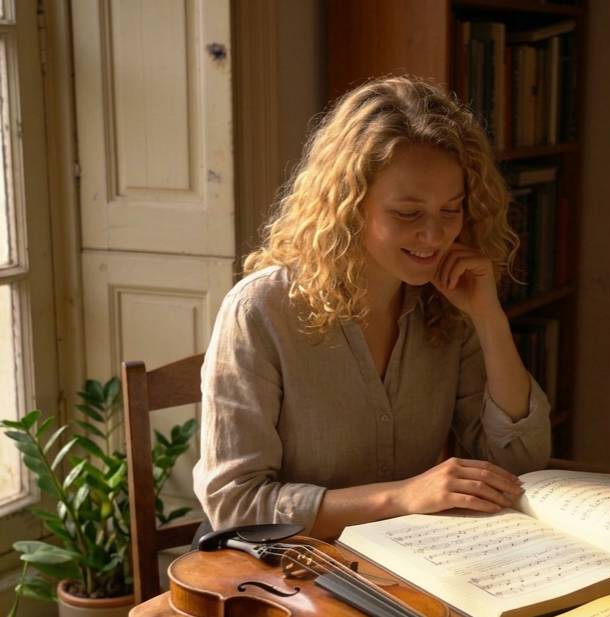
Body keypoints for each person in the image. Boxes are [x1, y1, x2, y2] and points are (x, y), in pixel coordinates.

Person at [193, 76, 551, 540]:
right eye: (407, 213)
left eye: (451, 209)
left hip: (407, 559)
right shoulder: (260, 310)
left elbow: (519, 463)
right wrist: (402, 496)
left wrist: (489, 318)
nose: (435, 235)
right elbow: (236, 505)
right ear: (348, 205)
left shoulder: (447, 302)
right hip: (285, 567)